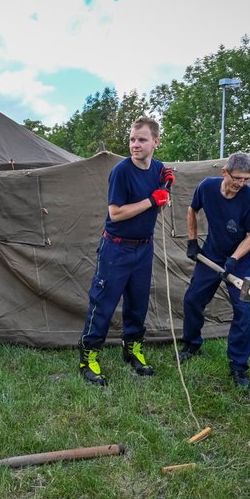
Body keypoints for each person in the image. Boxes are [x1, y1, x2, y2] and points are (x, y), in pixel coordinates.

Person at [78, 116, 174, 385]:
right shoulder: (121, 172)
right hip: (116, 249)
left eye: (142, 140)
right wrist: (151, 199)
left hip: (144, 248)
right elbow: (116, 213)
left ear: (155, 142)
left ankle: (132, 348)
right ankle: (89, 356)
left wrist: (165, 188)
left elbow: (160, 203)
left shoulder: (158, 169)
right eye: (132, 139)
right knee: (103, 302)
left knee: (138, 302)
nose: (135, 144)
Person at [178, 152, 250, 388]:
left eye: (246, 179)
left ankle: (239, 365)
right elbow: (192, 209)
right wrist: (192, 241)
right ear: (224, 172)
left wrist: (234, 259)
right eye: (237, 178)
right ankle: (192, 345)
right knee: (192, 299)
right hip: (211, 255)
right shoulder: (206, 187)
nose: (241, 184)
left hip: (242, 262)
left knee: (243, 310)